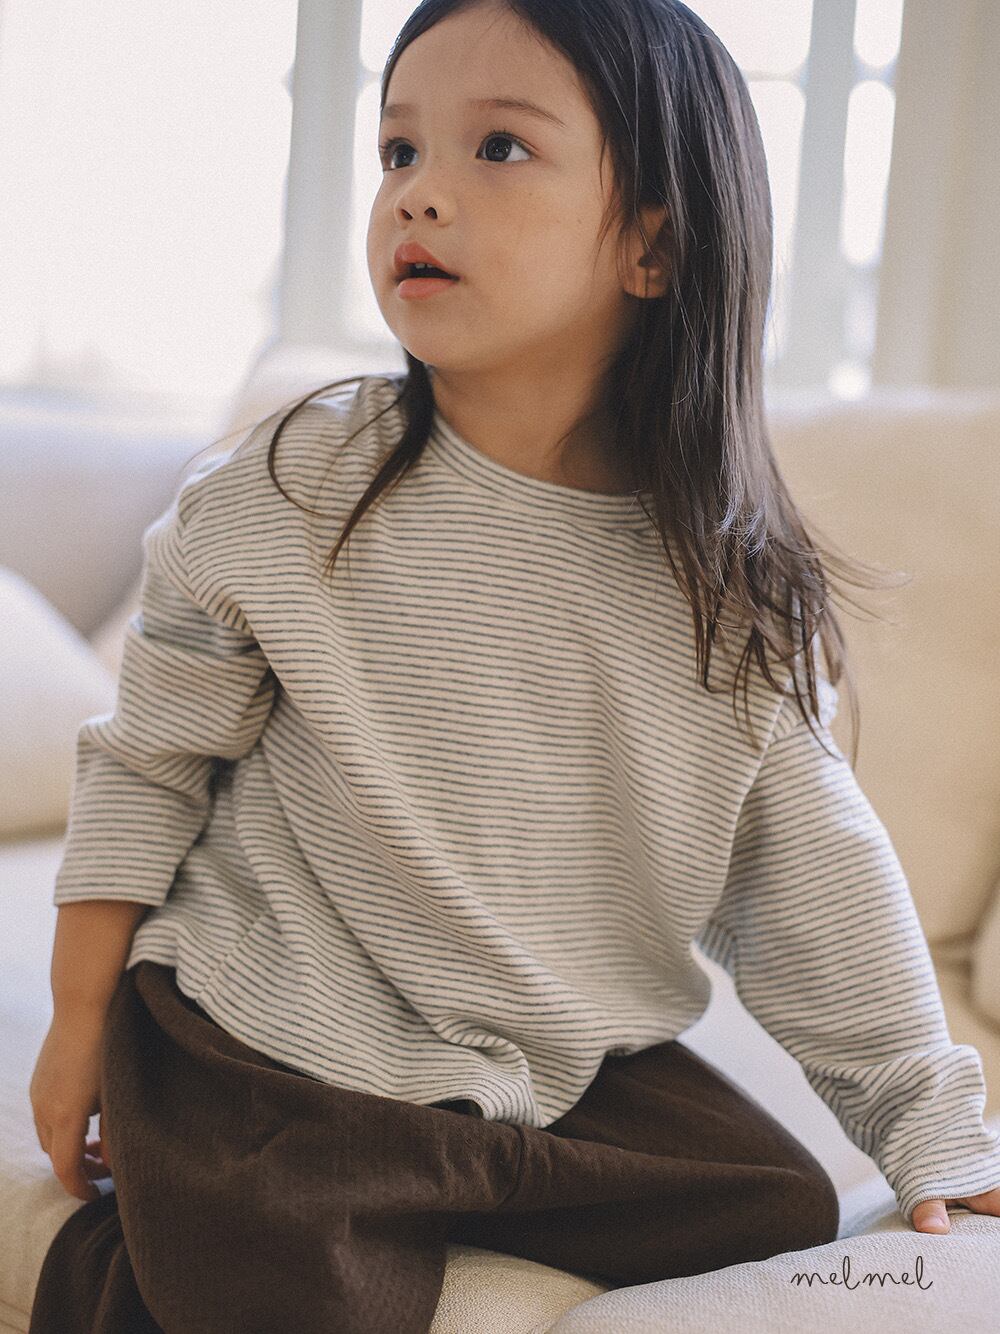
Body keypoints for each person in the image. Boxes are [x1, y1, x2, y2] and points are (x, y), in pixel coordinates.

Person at [28, 1, 1000, 1331]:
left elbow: (818, 880)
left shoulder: (731, 599)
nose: (418, 194)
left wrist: (931, 1128)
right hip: (266, 1028)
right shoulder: (294, 480)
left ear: (654, 242)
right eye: (398, 150)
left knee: (772, 1201)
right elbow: (148, 760)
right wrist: (78, 1019)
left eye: (498, 148)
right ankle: (145, 1250)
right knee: (290, 1278)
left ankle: (391, 1186)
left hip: (542, 1059)